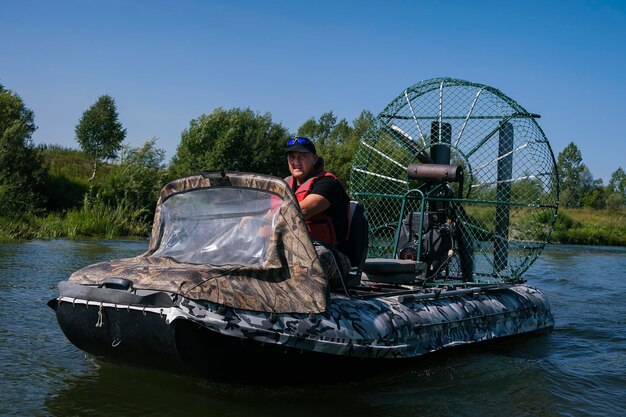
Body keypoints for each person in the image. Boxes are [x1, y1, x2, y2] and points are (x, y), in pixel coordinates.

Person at [284, 137, 352, 286]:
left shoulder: (328, 184)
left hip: (331, 253)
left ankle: (307, 305)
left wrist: (266, 215)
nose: (296, 161)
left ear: (314, 159)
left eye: (302, 156)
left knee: (309, 261)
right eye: (292, 157)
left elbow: (303, 210)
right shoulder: (284, 185)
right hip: (292, 248)